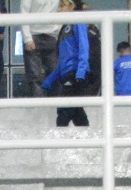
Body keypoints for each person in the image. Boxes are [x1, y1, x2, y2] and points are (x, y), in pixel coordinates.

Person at [40, 0, 99, 128]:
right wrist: (49, 81)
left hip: (75, 73)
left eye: (62, 6)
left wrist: (81, 72)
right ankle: (88, 136)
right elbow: (63, 60)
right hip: (69, 74)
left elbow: (84, 47)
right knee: (77, 112)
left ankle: (60, 138)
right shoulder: (64, 29)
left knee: (64, 110)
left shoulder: (77, 22)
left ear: (72, 7)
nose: (59, 9)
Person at [21, 0, 61, 98]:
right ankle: (38, 104)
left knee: (55, 73)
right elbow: (23, 14)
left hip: (51, 36)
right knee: (34, 76)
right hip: (33, 36)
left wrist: (57, 32)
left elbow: (62, 11)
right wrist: (27, 38)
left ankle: (55, 103)